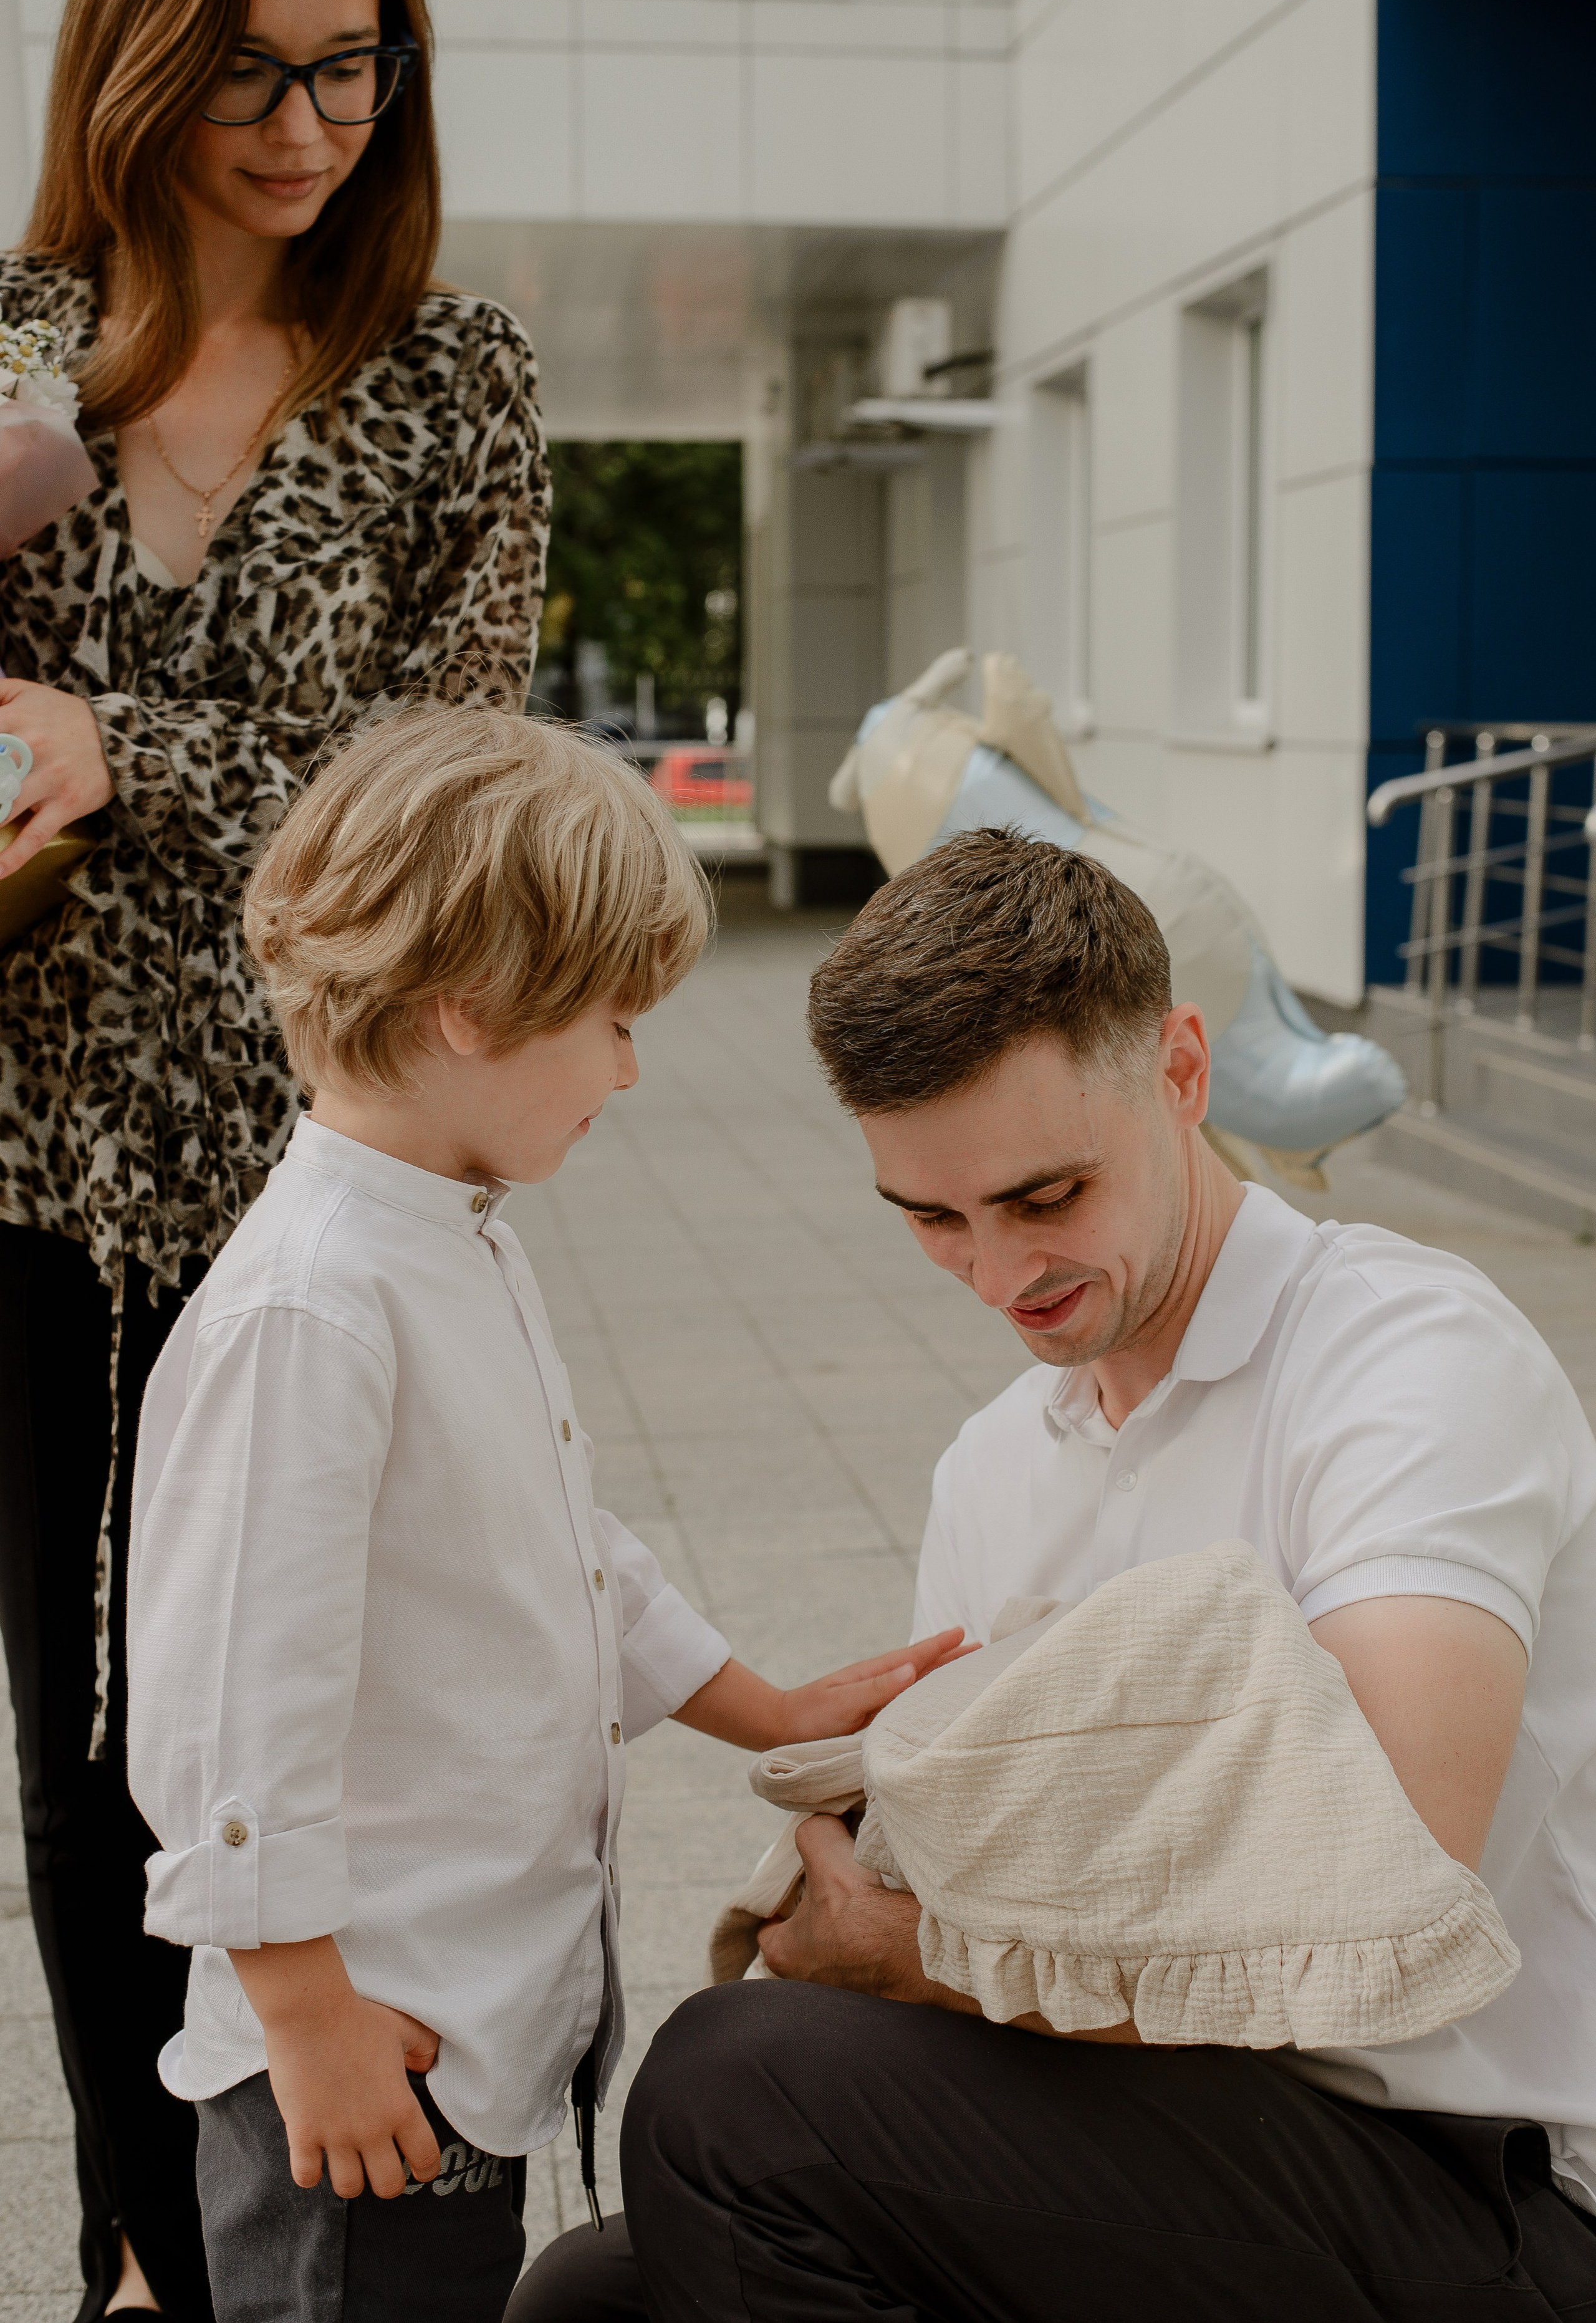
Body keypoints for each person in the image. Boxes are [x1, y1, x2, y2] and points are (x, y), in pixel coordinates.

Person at [516, 830, 1596, 2322]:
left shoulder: (1406, 1361)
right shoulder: (993, 1465)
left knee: (730, 2090)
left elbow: (1394, 1871)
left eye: (1044, 1195)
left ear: (1180, 1071)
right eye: (932, 1217)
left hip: (1460, 2176)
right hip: (1162, 2127)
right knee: (589, 2298)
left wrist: (919, 1956)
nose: (997, 1273)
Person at [123, 701, 964, 2323]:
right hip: (368, 2042)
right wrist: (303, 2010)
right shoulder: (315, 1305)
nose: (640, 1067)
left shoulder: (458, 1235)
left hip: (454, 2023)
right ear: (470, 1010)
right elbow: (235, 1696)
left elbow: (571, 1550)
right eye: (616, 1020)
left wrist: (762, 1707)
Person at [0, 0, 546, 2313]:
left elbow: (457, 797)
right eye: (253, 68)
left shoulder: (453, 383)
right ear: (133, 57)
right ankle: (149, 2248)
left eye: (355, 68)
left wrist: (126, 760)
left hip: (316, 1175)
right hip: (28, 1161)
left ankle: (269, 2228)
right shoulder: (11, 345)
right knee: (84, 1756)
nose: (311, 122)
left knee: (306, 1711)